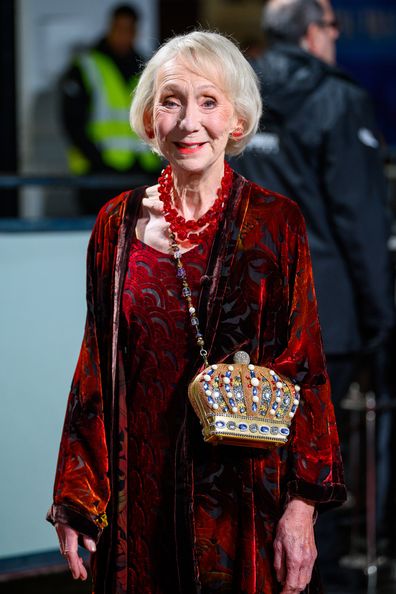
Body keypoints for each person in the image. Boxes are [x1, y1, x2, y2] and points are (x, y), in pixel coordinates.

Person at [47, 31, 346, 594]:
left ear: (237, 120)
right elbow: (95, 365)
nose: (189, 122)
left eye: (209, 101)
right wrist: (76, 492)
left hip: (243, 500)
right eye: (171, 100)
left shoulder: (275, 223)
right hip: (139, 495)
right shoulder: (116, 222)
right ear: (149, 118)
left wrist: (303, 507)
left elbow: (306, 369)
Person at [231, 0, 395, 408]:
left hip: (248, 305)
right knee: (315, 453)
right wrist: (381, 315)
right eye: (331, 24)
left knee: (257, 451)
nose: (336, 33)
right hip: (325, 315)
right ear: (310, 33)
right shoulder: (338, 100)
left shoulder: (238, 95)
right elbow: (360, 218)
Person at [60, 3, 161, 214]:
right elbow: (72, 121)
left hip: (140, 173)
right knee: (102, 240)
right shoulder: (86, 66)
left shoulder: (146, 67)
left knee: (140, 243)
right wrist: (96, 162)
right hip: (99, 175)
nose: (124, 35)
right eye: (119, 28)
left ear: (136, 31)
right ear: (110, 27)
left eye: (130, 29)